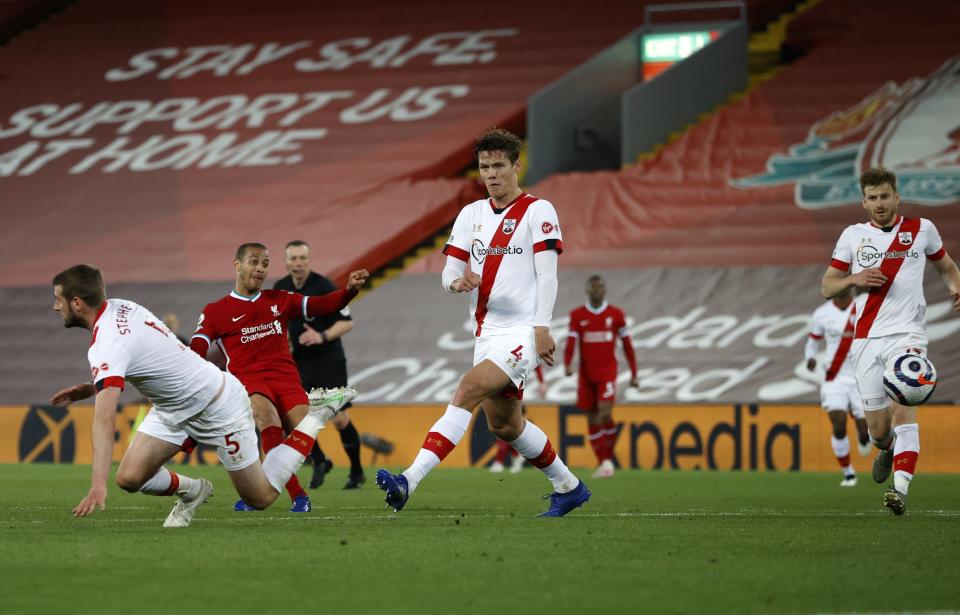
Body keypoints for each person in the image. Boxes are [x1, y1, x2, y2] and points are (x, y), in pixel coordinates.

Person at [376, 127, 590, 517]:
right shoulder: (470, 214)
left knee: (469, 387)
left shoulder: (538, 210)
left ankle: (409, 479)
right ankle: (568, 486)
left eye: (498, 166)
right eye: (484, 167)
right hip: (486, 332)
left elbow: (548, 274)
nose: (490, 174)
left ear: (516, 165)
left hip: (524, 330)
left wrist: (542, 327)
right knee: (505, 426)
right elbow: (448, 272)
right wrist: (457, 282)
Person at [49, 264, 355, 528]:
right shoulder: (121, 307)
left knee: (260, 497)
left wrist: (97, 486)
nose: (55, 307)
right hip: (173, 407)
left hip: (217, 403)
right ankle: (194, 491)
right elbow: (143, 356)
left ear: (77, 303)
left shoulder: (107, 342)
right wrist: (91, 387)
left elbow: (104, 421)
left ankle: (313, 419)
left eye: (57, 300)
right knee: (129, 478)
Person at [190, 242, 369, 513]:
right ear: (237, 264)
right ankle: (299, 496)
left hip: (286, 378)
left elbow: (323, 305)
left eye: (264, 264)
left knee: (303, 437)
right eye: (254, 262)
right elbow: (198, 345)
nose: (260, 269)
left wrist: (349, 291)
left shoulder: (280, 299)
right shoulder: (217, 310)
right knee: (268, 422)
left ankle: (257, 493)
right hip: (250, 381)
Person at [821, 167, 960, 515]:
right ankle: (887, 448)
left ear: (896, 197)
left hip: (908, 336)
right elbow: (827, 287)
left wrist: (957, 286)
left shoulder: (922, 229)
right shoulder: (853, 236)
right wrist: (855, 277)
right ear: (864, 202)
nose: (879, 203)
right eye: (873, 198)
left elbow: (945, 266)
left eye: (885, 196)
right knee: (879, 431)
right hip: (867, 340)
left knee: (905, 408)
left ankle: (900, 490)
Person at [274, 240, 366, 490]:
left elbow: (347, 323)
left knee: (340, 419)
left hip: (329, 360)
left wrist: (321, 336)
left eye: (302, 258)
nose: (298, 263)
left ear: (308, 260)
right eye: (293, 258)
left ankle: (356, 471)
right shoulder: (280, 288)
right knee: (297, 418)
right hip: (299, 362)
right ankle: (319, 460)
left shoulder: (324, 285)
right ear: (286, 262)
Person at [563, 275, 639, 478]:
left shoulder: (616, 315)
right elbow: (571, 342)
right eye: (594, 287)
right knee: (592, 418)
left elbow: (628, 345)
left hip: (607, 372)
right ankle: (604, 463)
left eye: (601, 287)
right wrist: (567, 363)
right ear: (587, 290)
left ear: (605, 290)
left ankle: (607, 459)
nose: (598, 290)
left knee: (605, 414)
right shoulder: (578, 315)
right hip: (586, 375)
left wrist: (634, 373)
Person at [804, 290, 873, 486]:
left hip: (860, 376)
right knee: (838, 422)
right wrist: (810, 357)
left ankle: (864, 438)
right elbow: (813, 341)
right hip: (834, 377)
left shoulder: (862, 307)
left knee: (865, 430)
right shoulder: (821, 313)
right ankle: (848, 473)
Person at [489, 365, 546, 474]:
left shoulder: (518, 354)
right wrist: (541, 382)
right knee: (511, 429)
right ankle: (518, 457)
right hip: (511, 392)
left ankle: (502, 461)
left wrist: (541, 382)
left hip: (515, 393)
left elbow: (536, 362)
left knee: (507, 426)